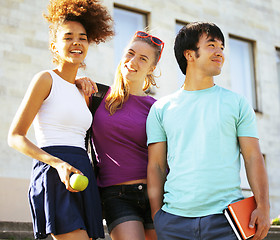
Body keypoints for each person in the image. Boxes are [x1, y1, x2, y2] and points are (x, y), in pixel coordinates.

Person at [146, 22, 270, 240]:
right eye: (212, 45)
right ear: (189, 55)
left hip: (227, 222)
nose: (219, 53)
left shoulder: (237, 103)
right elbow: (156, 166)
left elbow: (252, 157)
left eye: (222, 48)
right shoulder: (161, 109)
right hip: (173, 222)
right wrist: (158, 216)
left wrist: (263, 206)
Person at [7, 0, 113, 239]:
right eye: (68, 37)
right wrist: (57, 164)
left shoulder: (84, 90)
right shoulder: (44, 79)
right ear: (54, 46)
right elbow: (15, 137)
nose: (76, 42)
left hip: (82, 170)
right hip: (55, 171)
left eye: (82, 37)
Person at [89, 31, 164, 240]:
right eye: (130, 53)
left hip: (155, 194)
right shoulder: (96, 97)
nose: (133, 61)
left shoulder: (157, 109)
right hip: (116, 196)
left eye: (143, 58)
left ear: (152, 69)